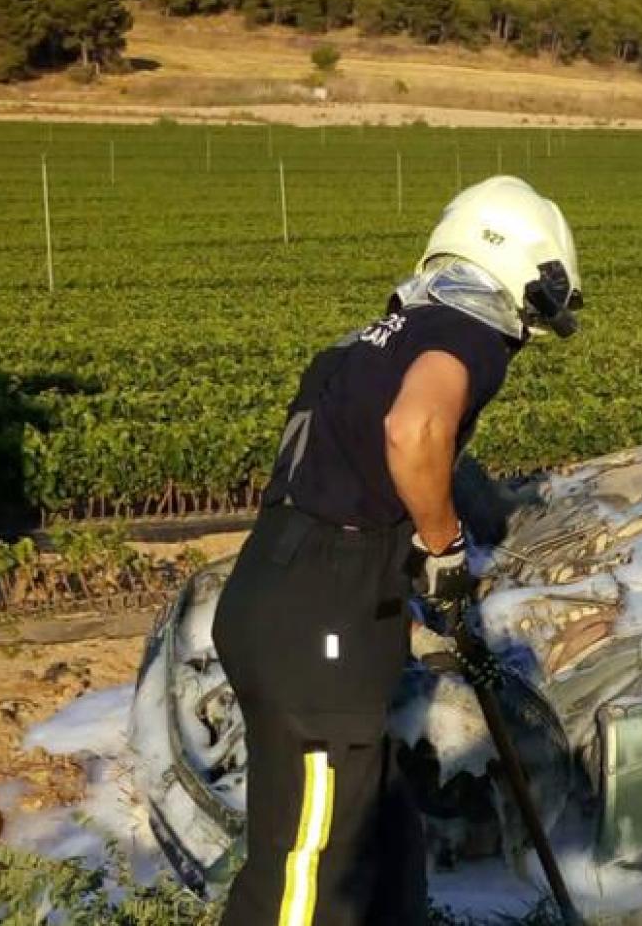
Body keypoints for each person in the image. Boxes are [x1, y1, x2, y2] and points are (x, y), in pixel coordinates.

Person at [212, 175, 582, 926]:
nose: (524, 332)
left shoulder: (376, 339)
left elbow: (346, 471)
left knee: (382, 834)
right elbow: (413, 433)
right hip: (322, 623)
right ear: (523, 273)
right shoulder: (466, 333)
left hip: (274, 594)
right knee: (311, 874)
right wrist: (443, 549)